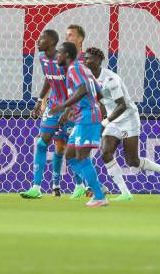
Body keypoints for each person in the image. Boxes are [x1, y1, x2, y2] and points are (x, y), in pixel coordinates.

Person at [84, 46, 160, 200]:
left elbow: (122, 105)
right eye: (84, 58)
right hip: (113, 119)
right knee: (106, 153)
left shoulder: (110, 79)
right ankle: (125, 193)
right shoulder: (91, 79)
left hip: (128, 118)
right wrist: (101, 119)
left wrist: (105, 122)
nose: (85, 61)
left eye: (88, 59)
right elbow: (103, 101)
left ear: (98, 61)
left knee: (132, 161)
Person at [50, 40, 108, 208]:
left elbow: (83, 89)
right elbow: (98, 92)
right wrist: (69, 111)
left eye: (59, 53)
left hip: (87, 118)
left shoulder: (74, 68)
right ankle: (96, 187)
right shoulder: (84, 69)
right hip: (83, 116)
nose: (57, 56)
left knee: (81, 157)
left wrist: (63, 106)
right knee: (70, 155)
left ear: (67, 55)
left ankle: (99, 195)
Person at [20, 29, 70, 199]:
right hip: (53, 105)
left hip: (70, 107)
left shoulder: (63, 60)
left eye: (42, 39)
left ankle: (84, 186)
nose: (38, 41)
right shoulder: (42, 57)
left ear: (52, 43)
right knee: (42, 144)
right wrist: (40, 100)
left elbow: (75, 86)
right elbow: (49, 79)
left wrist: (69, 110)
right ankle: (36, 188)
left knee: (69, 149)